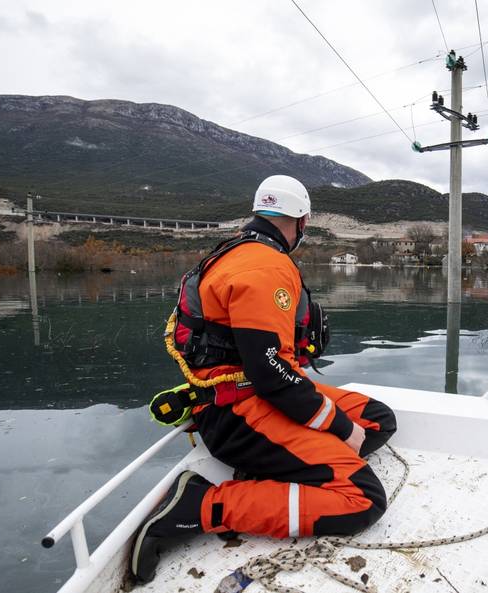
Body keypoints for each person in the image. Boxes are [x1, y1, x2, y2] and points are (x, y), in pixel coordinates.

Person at [131, 175, 397, 582]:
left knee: (378, 419)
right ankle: (199, 506)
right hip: (239, 413)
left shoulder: (235, 251)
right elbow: (270, 373)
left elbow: (268, 369)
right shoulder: (265, 265)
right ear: (302, 220)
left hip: (254, 394)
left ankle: (287, 470)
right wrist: (340, 427)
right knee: (364, 499)